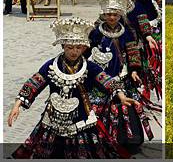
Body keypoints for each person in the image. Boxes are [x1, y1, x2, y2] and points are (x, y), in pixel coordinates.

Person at [7, 16, 136, 158]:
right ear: (62, 46)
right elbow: (34, 83)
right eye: (70, 47)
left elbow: (107, 80)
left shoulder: (90, 67)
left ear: (84, 47)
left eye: (78, 48)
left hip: (80, 118)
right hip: (54, 118)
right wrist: (17, 104)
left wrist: (122, 96)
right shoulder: (51, 65)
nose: (74, 52)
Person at [87, 0, 154, 153]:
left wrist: (134, 70)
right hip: (100, 77)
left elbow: (132, 52)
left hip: (122, 75)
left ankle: (128, 140)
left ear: (120, 14)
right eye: (109, 14)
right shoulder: (96, 32)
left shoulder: (127, 32)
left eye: (115, 14)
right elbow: (86, 51)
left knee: (126, 104)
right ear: (103, 14)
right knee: (99, 107)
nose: (112, 17)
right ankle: (101, 139)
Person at [108, 0, 162, 103]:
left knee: (136, 67)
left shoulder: (136, 7)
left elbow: (143, 21)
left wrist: (148, 36)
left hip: (135, 42)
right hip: (115, 43)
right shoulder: (111, 8)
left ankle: (137, 92)